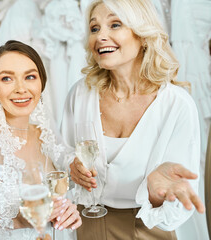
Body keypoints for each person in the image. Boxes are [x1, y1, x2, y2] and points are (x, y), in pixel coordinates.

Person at [61, 0, 205, 239]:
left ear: (143, 35)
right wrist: (71, 166)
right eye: (94, 28)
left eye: (115, 25)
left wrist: (155, 193)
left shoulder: (176, 105)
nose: (100, 36)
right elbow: (63, 151)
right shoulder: (81, 93)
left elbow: (175, 209)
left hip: (146, 231)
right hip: (86, 226)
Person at [0, 40, 81, 240]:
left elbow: (57, 197)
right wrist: (18, 221)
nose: (21, 89)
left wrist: (67, 212)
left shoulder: (43, 134)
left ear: (41, 82)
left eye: (30, 77)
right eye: (7, 79)